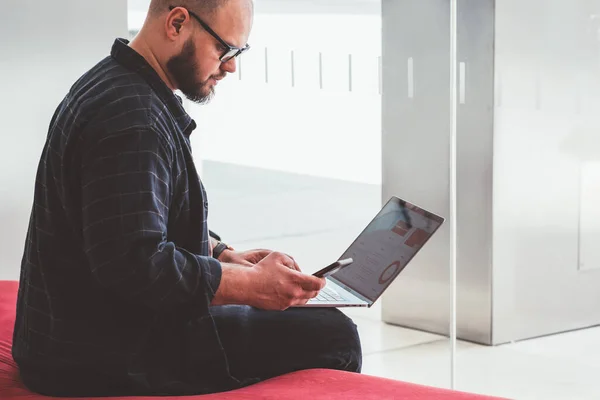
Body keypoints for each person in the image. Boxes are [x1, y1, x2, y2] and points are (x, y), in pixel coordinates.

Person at [11, 0, 362, 396]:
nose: (231, 67)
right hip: (101, 359)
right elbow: (133, 264)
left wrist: (222, 254)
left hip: (74, 339)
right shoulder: (133, 118)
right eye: (224, 50)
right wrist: (248, 287)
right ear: (177, 22)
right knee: (336, 334)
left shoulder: (113, 82)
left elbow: (134, 216)